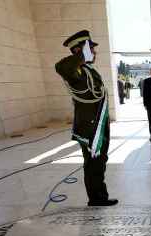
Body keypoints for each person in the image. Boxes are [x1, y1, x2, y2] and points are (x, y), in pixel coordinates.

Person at [55, 30, 118, 207]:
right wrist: (83, 54)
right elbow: (61, 67)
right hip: (90, 128)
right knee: (93, 165)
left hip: (97, 126)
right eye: (91, 48)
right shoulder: (77, 71)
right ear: (81, 50)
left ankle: (99, 196)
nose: (95, 52)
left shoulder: (88, 71)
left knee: (99, 163)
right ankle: (97, 199)